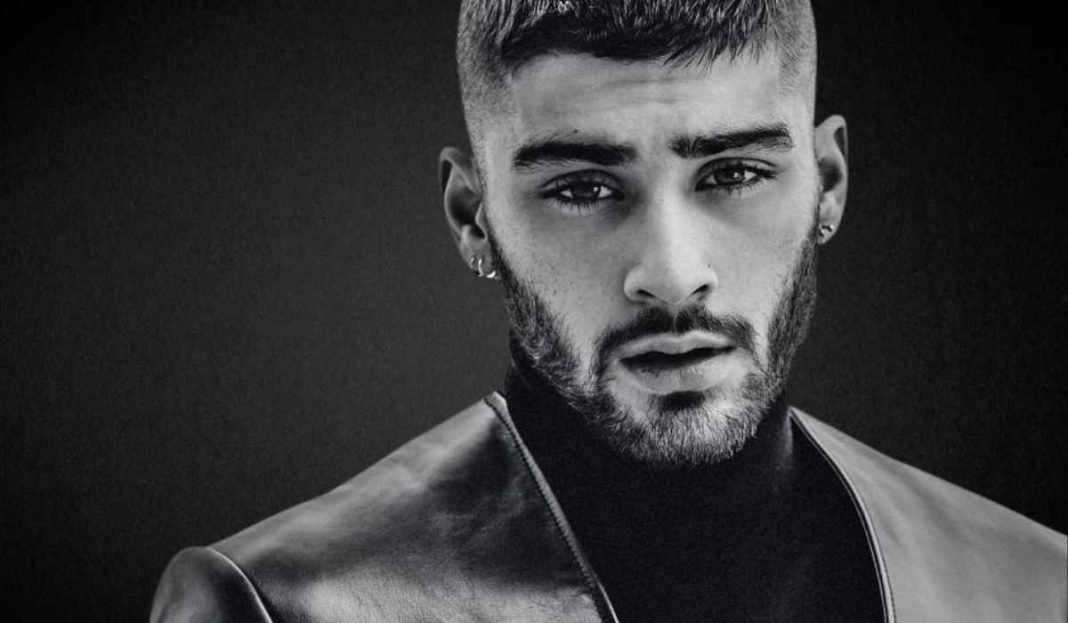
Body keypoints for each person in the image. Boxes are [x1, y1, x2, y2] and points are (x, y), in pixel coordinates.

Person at [150, 1, 1067, 621]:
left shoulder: (1035, 582)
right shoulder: (277, 606)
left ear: (826, 182)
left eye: (734, 173)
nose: (671, 275)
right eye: (584, 187)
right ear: (473, 216)